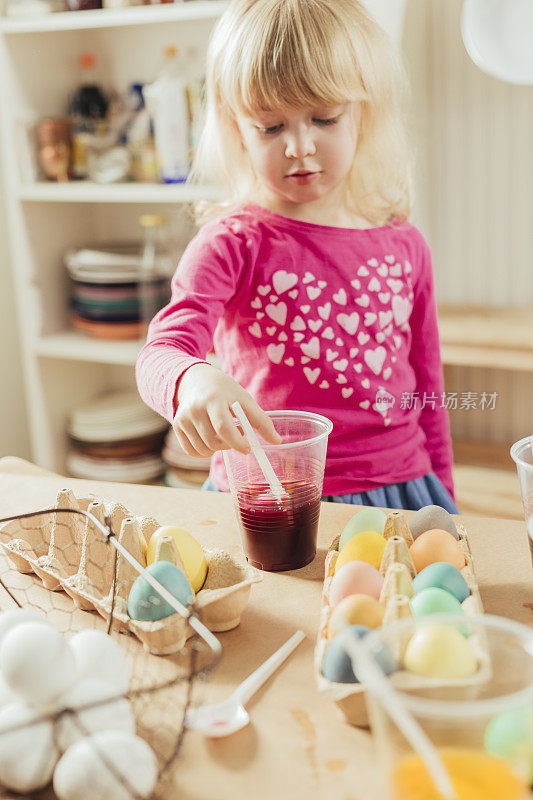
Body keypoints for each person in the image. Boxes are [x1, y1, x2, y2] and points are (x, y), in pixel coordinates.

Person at [136, 0, 458, 513]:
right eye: (271, 127)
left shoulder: (405, 244)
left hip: (402, 490)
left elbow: (429, 392)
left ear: (363, 112)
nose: (299, 146)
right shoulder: (231, 243)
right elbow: (160, 353)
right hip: (274, 490)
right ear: (235, 127)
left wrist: (446, 499)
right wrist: (191, 378)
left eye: (324, 118)